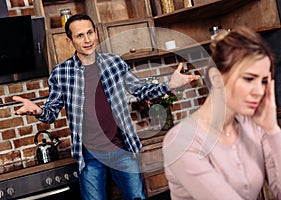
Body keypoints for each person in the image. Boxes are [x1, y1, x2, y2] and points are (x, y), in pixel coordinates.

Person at [12, 14, 199, 200]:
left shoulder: (114, 63)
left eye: (90, 33)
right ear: (69, 41)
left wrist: (169, 85)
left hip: (121, 148)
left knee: (137, 197)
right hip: (89, 155)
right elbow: (51, 112)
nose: (87, 40)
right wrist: (39, 111)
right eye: (79, 36)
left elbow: (141, 90)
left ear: (96, 33)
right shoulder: (61, 73)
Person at [162, 26, 281, 200]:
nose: (259, 90)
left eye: (264, 81)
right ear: (216, 78)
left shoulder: (254, 125)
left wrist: (272, 130)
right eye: (249, 78)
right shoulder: (181, 141)